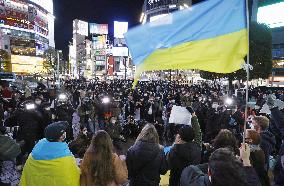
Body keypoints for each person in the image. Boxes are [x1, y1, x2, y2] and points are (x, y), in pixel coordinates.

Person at [20, 122, 80, 186]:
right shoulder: (66, 158)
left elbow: (27, 174)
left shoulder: (36, 149)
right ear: (62, 137)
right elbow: (72, 177)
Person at [180, 144, 261, 186]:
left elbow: (190, 169)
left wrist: (219, 163)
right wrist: (246, 160)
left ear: (209, 172)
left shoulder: (191, 178)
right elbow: (253, 182)